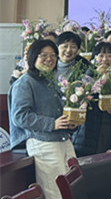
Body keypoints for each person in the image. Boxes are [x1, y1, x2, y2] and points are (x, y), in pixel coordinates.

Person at [9, 40, 77, 199]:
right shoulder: (24, 83)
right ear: (33, 57)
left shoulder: (52, 81)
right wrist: (52, 124)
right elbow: (20, 116)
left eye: (53, 55)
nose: (49, 59)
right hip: (43, 143)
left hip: (63, 139)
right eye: (44, 55)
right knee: (55, 192)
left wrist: (71, 123)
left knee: (72, 189)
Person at [72, 41, 111, 190]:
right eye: (101, 55)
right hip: (88, 133)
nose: (105, 59)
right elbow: (77, 102)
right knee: (87, 176)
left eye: (110, 56)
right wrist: (95, 79)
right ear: (94, 58)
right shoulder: (84, 78)